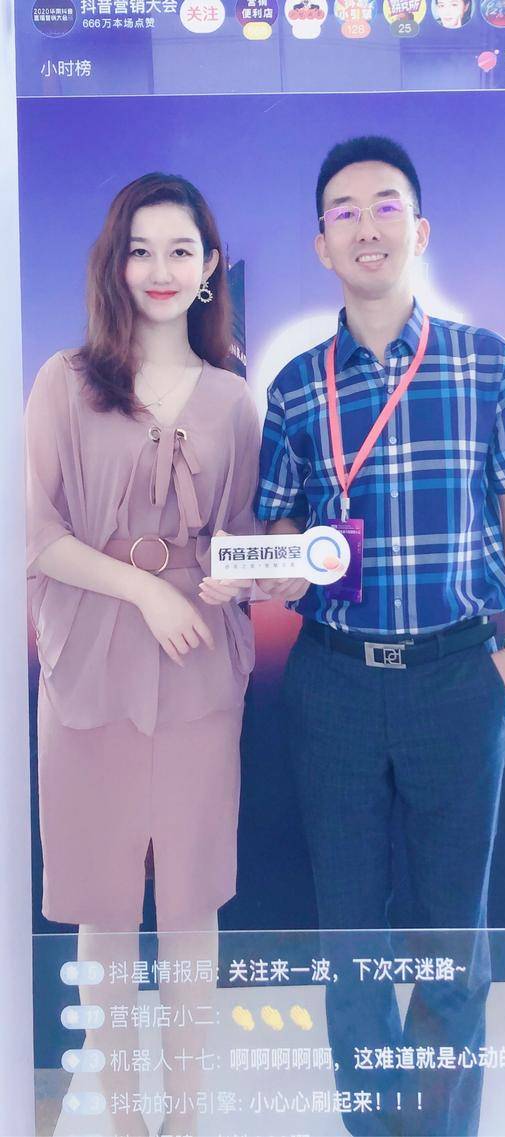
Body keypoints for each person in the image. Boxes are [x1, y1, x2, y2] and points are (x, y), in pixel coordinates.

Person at [254, 136, 505, 1136]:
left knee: (450, 936)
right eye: (343, 211)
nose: (367, 226)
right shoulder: (297, 386)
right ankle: (371, 1122)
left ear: (419, 230)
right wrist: (278, 554)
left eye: (386, 205)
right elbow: (275, 525)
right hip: (334, 684)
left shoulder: (485, 361)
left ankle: (439, 1125)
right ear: (321, 245)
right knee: (351, 938)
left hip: (457, 677)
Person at [25, 172, 259, 1136]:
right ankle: (125, 1119)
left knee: (194, 907)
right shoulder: (64, 380)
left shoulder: (235, 397)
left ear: (208, 269)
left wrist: (244, 575)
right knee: (105, 910)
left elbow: (242, 537)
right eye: (140, 249)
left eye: (180, 250)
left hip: (199, 666)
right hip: (90, 664)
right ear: (114, 264)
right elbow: (37, 535)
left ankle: (186, 1117)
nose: (160, 269)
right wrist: (146, 588)